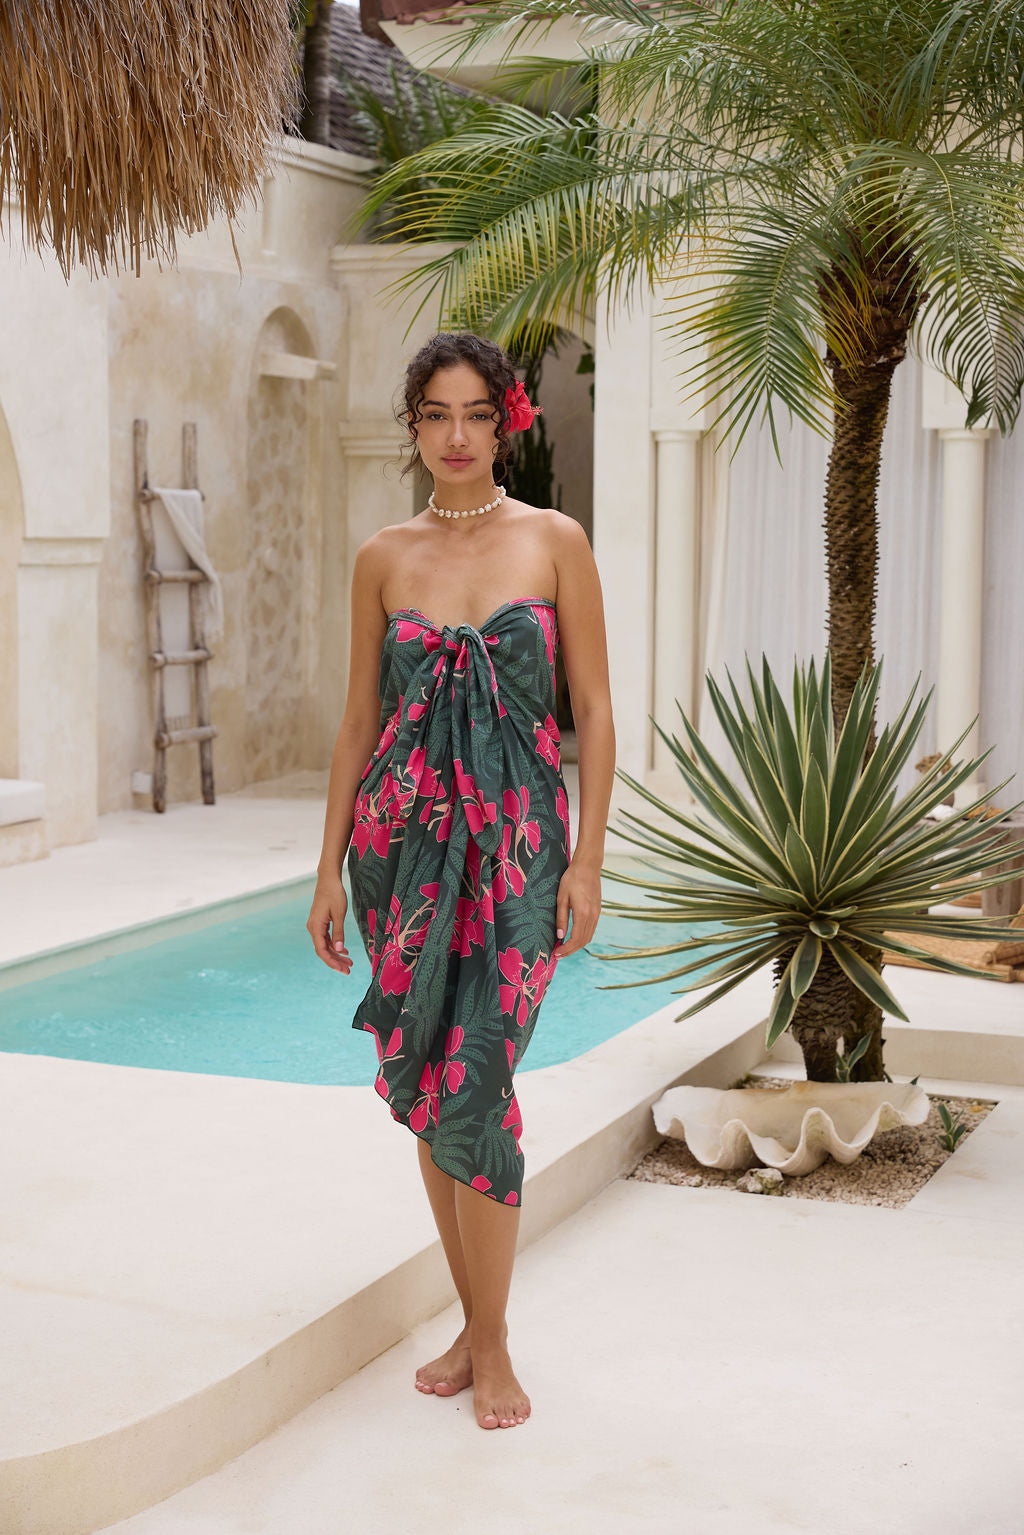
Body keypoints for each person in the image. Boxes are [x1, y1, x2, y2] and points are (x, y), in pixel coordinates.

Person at [308, 331, 616, 1432]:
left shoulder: (554, 540)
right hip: (399, 850)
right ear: (413, 426)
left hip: (522, 850)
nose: (453, 434)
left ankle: (490, 1342)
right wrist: (328, 869)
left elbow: (593, 710)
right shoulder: (381, 556)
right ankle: (477, 1333)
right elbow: (356, 722)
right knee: (435, 1088)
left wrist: (586, 859)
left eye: (474, 413)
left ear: (506, 421)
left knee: (479, 1081)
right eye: (434, 414)